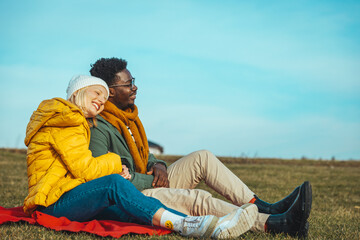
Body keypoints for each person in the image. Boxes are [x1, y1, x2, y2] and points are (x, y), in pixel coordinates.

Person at [89, 57, 313, 238]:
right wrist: (152, 180)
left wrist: (158, 165)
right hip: (137, 195)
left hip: (153, 182)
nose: (135, 87)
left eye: (133, 80)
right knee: (198, 198)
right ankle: (275, 223)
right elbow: (107, 177)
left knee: (202, 157)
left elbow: (143, 153)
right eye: (128, 84)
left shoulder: (129, 119)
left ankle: (265, 207)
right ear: (109, 90)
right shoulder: (99, 126)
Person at [23, 75, 259, 239]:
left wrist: (155, 164)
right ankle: (188, 223)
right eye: (96, 93)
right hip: (53, 202)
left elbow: (81, 168)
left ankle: (247, 213)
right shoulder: (68, 121)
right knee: (114, 184)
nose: (101, 102)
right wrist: (116, 165)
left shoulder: (74, 121)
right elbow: (85, 169)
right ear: (78, 92)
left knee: (122, 207)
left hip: (67, 193)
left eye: (104, 99)